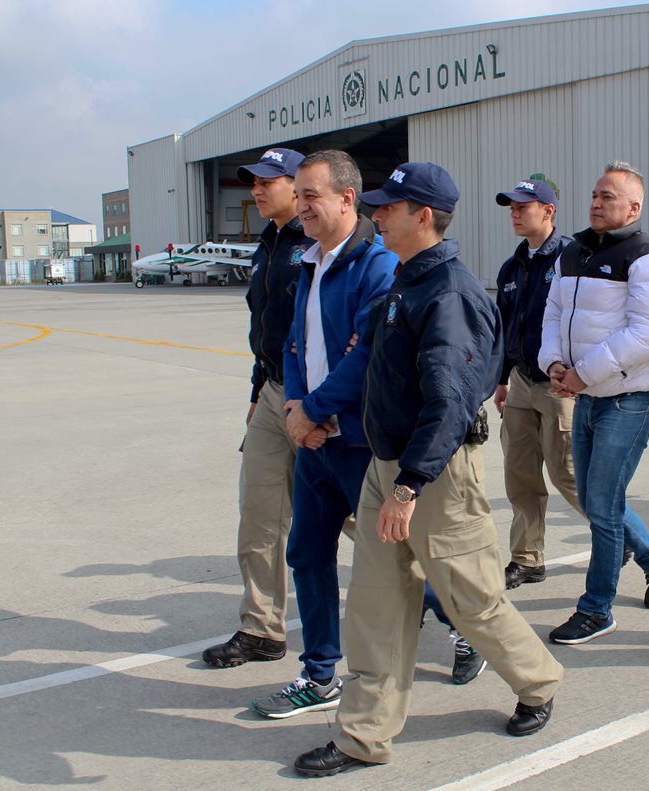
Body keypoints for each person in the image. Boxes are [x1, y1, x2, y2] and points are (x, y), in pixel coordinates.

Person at [293, 162, 564, 777]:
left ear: (423, 216)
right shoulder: (407, 282)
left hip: (434, 475)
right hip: (387, 467)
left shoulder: (450, 294)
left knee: (472, 602)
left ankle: (538, 680)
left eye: (389, 208)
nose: (376, 215)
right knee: (376, 606)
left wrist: (410, 484)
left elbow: (448, 401)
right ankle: (363, 736)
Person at [249, 150, 398, 718]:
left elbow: (364, 360)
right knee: (307, 553)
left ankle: (462, 626)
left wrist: (310, 410)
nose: (303, 205)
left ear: (347, 198)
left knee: (395, 559)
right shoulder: (308, 262)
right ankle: (319, 675)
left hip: (356, 442)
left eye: (312, 195)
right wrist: (294, 408)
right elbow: (292, 343)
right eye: (301, 195)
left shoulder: (376, 266)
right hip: (314, 439)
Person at [539, 161, 649, 646]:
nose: (597, 203)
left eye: (609, 197)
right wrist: (555, 362)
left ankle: (596, 608)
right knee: (598, 499)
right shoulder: (573, 253)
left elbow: (647, 335)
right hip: (585, 395)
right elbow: (555, 311)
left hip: (629, 399)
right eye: (596, 194)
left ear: (634, 207)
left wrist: (582, 374)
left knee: (601, 504)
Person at [202, 148, 313, 669]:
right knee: (260, 515)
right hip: (272, 393)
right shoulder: (266, 245)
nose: (257, 189)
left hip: (316, 398)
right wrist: (255, 394)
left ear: (298, 186)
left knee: (360, 514)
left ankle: (441, 598)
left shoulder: (321, 240)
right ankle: (263, 629)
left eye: (270, 180)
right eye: (255, 182)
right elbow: (264, 330)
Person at [492, 177, 581, 589]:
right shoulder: (513, 267)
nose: (515, 212)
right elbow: (505, 327)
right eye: (511, 206)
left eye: (523, 206)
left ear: (548, 211)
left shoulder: (571, 258)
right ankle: (527, 559)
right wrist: (502, 380)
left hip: (560, 385)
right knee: (520, 474)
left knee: (568, 474)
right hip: (522, 382)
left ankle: (628, 540)